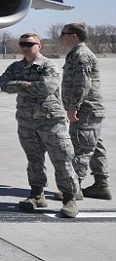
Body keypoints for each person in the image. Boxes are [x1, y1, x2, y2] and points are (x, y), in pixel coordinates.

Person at [0, 33, 78, 218]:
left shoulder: (49, 65)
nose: (25, 47)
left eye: (30, 44)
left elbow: (46, 88)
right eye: (22, 44)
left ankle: (69, 199)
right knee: (34, 159)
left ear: (39, 46)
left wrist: (19, 86)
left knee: (62, 159)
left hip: (50, 121)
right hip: (26, 122)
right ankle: (36, 195)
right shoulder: (15, 66)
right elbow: (3, 84)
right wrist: (26, 83)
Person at [60, 23, 110, 200]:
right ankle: (101, 184)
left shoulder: (81, 55)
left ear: (74, 36)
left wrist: (74, 107)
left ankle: (74, 188)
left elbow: (82, 84)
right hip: (90, 110)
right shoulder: (77, 54)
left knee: (81, 148)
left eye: (63, 34)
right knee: (94, 146)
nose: (61, 37)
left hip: (85, 110)